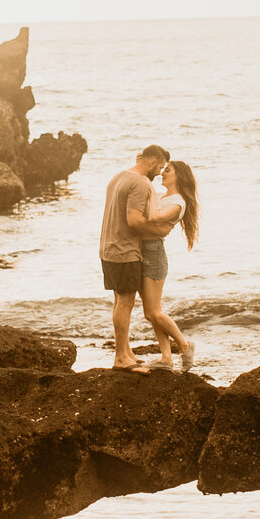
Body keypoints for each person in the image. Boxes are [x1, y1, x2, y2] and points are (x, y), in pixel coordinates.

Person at [99, 144, 176, 370]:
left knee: (119, 301)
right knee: (126, 302)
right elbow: (133, 220)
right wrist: (159, 232)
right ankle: (121, 358)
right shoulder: (141, 183)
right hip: (125, 250)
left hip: (108, 247)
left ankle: (126, 352)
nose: (159, 172)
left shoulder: (119, 177)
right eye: (160, 167)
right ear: (152, 162)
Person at [137, 160, 201, 372]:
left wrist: (148, 201)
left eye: (168, 170)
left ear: (179, 176)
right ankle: (166, 357)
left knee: (154, 312)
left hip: (154, 253)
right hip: (143, 249)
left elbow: (154, 218)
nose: (163, 173)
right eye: (163, 169)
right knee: (150, 313)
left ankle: (184, 345)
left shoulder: (178, 202)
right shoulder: (163, 196)